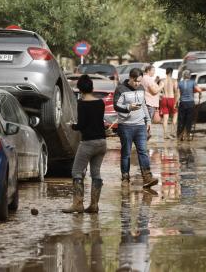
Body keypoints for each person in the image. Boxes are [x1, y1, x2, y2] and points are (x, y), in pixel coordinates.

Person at [63, 75, 107, 214]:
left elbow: (82, 125)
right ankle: (94, 205)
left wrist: (73, 126)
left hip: (88, 143)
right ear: (92, 87)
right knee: (96, 173)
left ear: (80, 89)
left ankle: (78, 204)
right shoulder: (100, 103)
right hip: (102, 143)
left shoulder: (82, 104)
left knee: (76, 171)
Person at [114, 68, 158, 188]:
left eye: (140, 81)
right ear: (130, 77)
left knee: (143, 151)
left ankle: (147, 177)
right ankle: (125, 177)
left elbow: (144, 105)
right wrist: (129, 107)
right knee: (126, 153)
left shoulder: (141, 88)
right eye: (136, 81)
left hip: (140, 126)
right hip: (125, 127)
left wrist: (148, 120)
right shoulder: (120, 89)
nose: (138, 84)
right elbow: (116, 106)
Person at [177, 70, 206, 141]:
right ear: (189, 76)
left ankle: (180, 136)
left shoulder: (180, 83)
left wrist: (176, 103)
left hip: (182, 103)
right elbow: (198, 90)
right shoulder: (193, 82)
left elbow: (178, 94)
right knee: (189, 120)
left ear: (183, 76)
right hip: (190, 103)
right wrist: (201, 91)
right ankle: (188, 135)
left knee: (181, 119)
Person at [159, 68, 179, 139]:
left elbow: (159, 91)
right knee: (175, 115)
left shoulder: (162, 80)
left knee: (165, 118)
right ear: (171, 72)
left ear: (166, 72)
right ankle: (172, 132)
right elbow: (176, 92)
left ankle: (165, 134)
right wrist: (176, 102)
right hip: (172, 99)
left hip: (164, 99)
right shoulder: (174, 80)